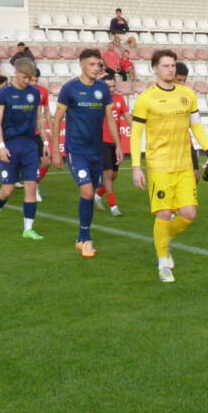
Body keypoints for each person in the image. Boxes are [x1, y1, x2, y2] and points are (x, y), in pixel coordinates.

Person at [131, 49, 208, 283]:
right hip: (159, 166)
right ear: (155, 69)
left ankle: (163, 240)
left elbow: (196, 127)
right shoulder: (145, 99)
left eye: (172, 65)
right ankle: (162, 264)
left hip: (184, 165)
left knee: (189, 214)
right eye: (165, 66)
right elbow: (136, 134)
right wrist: (136, 167)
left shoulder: (187, 95)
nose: (170, 69)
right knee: (165, 213)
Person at [52, 48, 122, 257]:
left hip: (96, 150)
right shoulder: (70, 88)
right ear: (81, 65)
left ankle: (82, 237)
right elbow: (57, 120)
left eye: (98, 65)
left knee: (91, 192)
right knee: (88, 192)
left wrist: (118, 145)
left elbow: (110, 118)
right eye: (91, 64)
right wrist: (56, 150)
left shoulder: (102, 88)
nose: (96, 68)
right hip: (76, 151)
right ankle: (85, 238)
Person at [0, 58, 48, 238]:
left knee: (30, 185)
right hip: (10, 145)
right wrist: (1, 146)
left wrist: (44, 142)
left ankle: (28, 229)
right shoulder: (3, 93)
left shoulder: (34, 94)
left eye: (30, 78)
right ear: (15, 73)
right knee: (8, 189)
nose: (27, 81)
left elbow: (38, 120)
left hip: (29, 145)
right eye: (24, 77)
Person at [94, 71, 131, 217]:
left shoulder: (120, 99)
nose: (111, 89)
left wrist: (136, 128)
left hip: (116, 142)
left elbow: (127, 116)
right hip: (101, 141)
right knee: (108, 174)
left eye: (113, 86)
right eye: (108, 86)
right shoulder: (98, 100)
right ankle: (113, 206)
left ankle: (97, 196)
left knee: (114, 175)